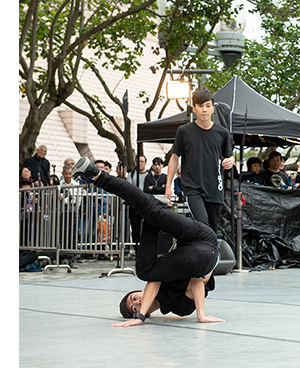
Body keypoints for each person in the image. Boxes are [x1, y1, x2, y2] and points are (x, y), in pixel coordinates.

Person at [71, 157, 224, 326]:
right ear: (149, 314)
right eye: (135, 308)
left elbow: (154, 281)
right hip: (208, 254)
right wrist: (201, 315)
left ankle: (96, 176)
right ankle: (150, 208)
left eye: (134, 298)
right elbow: (198, 280)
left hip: (197, 236)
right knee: (147, 272)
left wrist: (140, 316)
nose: (137, 303)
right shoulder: (179, 308)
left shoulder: (152, 276)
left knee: (147, 210)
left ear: (140, 291)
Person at [165, 89, 235, 233]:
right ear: (193, 108)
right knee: (202, 224)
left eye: (208, 105)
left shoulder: (223, 133)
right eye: (200, 106)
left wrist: (231, 161)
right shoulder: (184, 131)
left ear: (213, 108)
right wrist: (168, 185)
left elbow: (229, 156)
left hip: (215, 187)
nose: (204, 109)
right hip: (192, 187)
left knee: (212, 229)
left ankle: (211, 254)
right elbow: (174, 157)